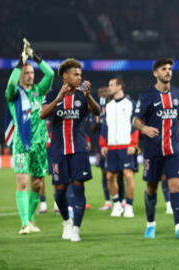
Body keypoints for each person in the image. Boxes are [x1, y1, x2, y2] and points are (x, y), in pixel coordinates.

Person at [39, 58, 100, 242]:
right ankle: (66, 220)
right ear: (65, 76)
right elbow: (42, 114)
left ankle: (76, 228)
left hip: (79, 149)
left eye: (80, 74)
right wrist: (59, 98)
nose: (79, 77)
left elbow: (97, 112)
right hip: (58, 150)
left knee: (78, 187)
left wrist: (89, 95)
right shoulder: (51, 95)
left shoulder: (82, 95)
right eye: (76, 74)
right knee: (59, 191)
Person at [133, 58, 179, 240]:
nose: (168, 71)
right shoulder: (146, 96)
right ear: (155, 73)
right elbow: (135, 120)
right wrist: (144, 128)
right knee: (151, 188)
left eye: (169, 69)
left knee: (175, 186)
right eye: (163, 69)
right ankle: (150, 224)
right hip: (153, 150)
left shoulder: (178, 94)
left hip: (174, 149)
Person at [5, 41, 54, 234]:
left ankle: (31, 220)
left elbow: (50, 74)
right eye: (27, 73)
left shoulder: (39, 91)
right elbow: (10, 83)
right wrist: (20, 63)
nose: (30, 75)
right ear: (20, 76)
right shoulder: (14, 93)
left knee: (37, 183)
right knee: (23, 182)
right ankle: (24, 223)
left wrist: (35, 57)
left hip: (40, 144)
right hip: (22, 143)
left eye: (32, 72)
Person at [100, 77, 138, 218]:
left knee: (128, 175)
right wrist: (103, 144)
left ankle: (129, 206)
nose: (109, 87)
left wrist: (133, 144)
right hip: (111, 146)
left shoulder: (130, 104)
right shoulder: (108, 106)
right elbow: (104, 126)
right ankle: (116, 204)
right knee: (110, 176)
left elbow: (136, 124)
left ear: (120, 86)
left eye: (112, 85)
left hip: (126, 145)